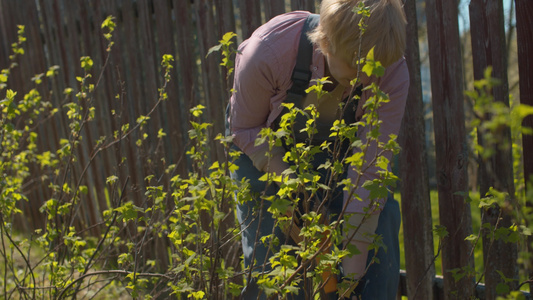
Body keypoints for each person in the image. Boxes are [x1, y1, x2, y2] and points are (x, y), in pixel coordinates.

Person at [227, 0, 409, 299]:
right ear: (326, 41)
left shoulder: (392, 71)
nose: (365, 80)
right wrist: (291, 185)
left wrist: (348, 283)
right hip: (259, 143)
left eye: (373, 69)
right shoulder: (268, 51)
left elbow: (366, 177)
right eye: (355, 67)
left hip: (341, 153)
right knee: (270, 251)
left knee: (382, 219)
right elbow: (245, 128)